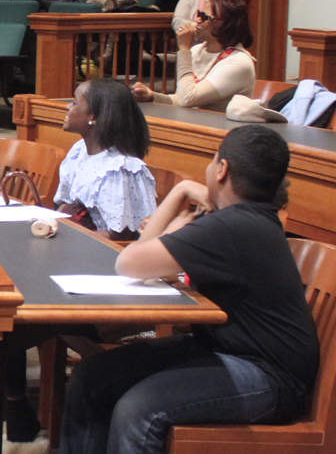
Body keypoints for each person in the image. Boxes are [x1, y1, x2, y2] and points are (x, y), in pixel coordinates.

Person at [61, 125, 319, 454]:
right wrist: (178, 201)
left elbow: (129, 262)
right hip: (224, 350)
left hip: (268, 376)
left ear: (222, 169)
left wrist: (180, 191)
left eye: (213, 160)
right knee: (93, 377)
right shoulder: (243, 220)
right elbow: (138, 259)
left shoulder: (233, 226)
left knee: (139, 410)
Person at [56, 78, 158, 241]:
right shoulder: (79, 149)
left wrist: (66, 239)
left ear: (94, 117)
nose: (67, 106)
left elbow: (120, 235)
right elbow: (66, 203)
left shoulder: (118, 169)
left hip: (99, 252)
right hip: (76, 238)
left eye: (75, 103)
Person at [132, 0, 255, 111]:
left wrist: (184, 50)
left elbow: (188, 99)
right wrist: (153, 96)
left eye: (205, 17)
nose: (197, 20)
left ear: (223, 24)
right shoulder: (197, 50)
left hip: (220, 129)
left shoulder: (238, 62)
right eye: (198, 13)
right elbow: (181, 98)